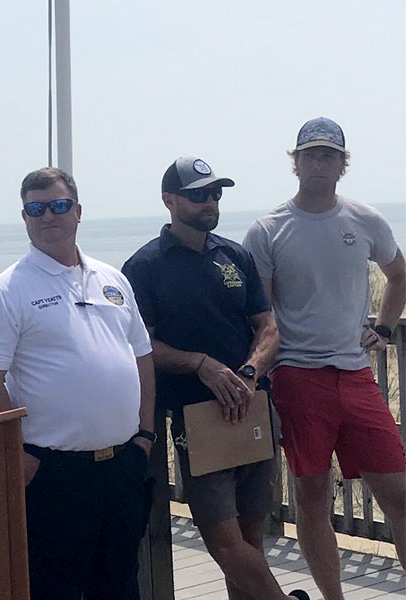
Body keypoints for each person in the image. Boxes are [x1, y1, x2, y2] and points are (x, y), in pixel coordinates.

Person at [122, 157, 309, 600]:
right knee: (224, 543)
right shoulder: (144, 267)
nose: (210, 201)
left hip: (251, 407)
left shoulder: (234, 255)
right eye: (198, 194)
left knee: (250, 535)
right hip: (196, 416)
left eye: (216, 193)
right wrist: (200, 364)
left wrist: (248, 372)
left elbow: (268, 326)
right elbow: (140, 346)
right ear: (169, 200)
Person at [0, 167, 156, 600]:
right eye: (36, 208)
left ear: (78, 211)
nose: (48, 215)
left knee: (122, 584)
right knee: (56, 589)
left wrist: (144, 437)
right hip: (53, 472)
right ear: (25, 217)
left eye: (58, 205)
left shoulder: (113, 280)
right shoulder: (5, 292)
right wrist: (16, 454)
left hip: (121, 465)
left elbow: (142, 356)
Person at [243, 117, 406, 600]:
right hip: (297, 376)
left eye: (328, 155)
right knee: (311, 496)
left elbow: (398, 273)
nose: (319, 163)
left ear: (342, 163)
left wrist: (383, 326)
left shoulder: (366, 220)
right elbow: (261, 317)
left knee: (398, 495)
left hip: (356, 376)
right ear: (296, 163)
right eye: (310, 155)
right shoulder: (268, 230)